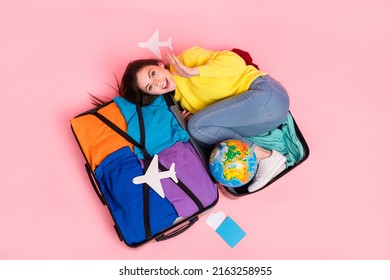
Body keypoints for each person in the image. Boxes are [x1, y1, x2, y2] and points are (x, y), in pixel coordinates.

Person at [115, 46, 290, 191]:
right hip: (263, 122)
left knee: (196, 126)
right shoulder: (182, 100)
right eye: (150, 87)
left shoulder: (187, 58)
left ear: (159, 64)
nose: (158, 82)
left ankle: (265, 156)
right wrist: (196, 121)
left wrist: (196, 72)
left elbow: (236, 62)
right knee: (197, 130)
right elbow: (222, 117)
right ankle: (265, 157)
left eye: (153, 74)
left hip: (267, 95)